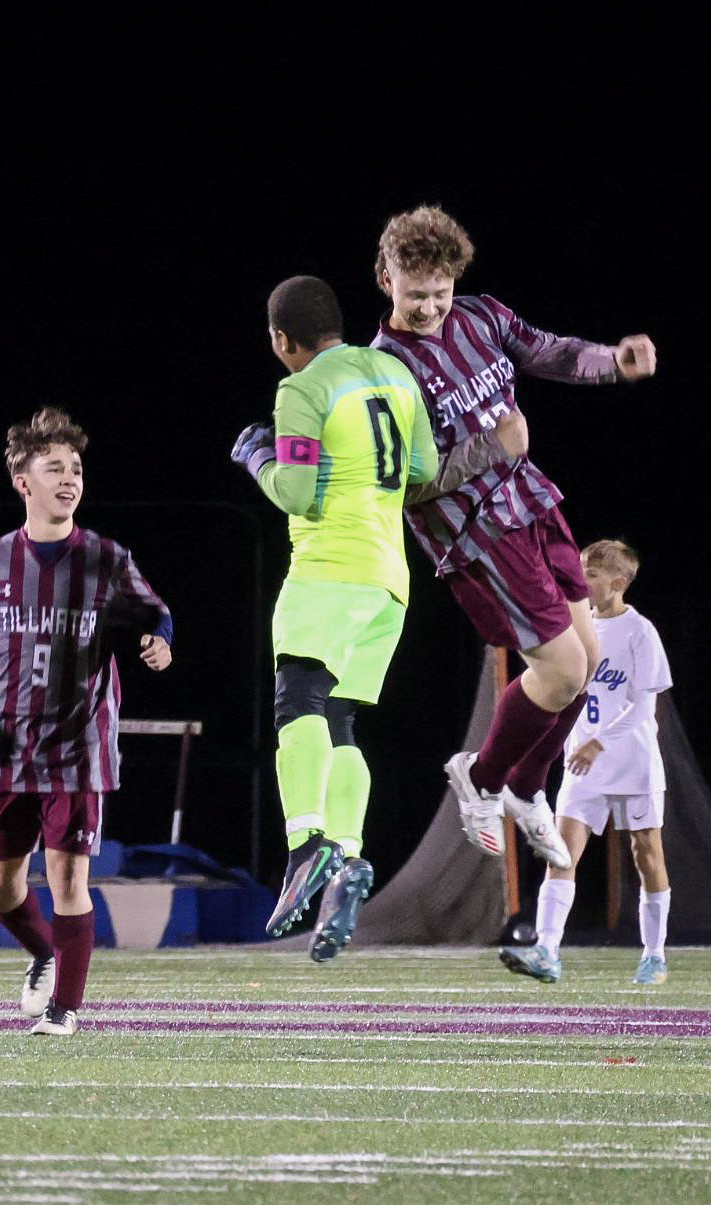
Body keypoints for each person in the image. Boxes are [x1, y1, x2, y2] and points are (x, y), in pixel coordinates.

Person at [370, 205, 656, 870]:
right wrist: (490, 446)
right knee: (558, 672)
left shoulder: (481, 315)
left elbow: (550, 351)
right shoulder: (380, 372)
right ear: (385, 278)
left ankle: (526, 788)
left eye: (441, 292)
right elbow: (398, 487)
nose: (432, 307)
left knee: (587, 665)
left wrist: (614, 361)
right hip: (477, 535)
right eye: (417, 295)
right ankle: (484, 775)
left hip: (531, 503)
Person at [0, 407, 172, 1035]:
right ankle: (45, 957)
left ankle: (65, 1011)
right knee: (0, 888)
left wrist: (160, 640)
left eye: (75, 468)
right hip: (5, 745)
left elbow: (156, 612)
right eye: (53, 467)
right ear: (21, 481)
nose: (68, 478)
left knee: (67, 875)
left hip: (79, 745)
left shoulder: (105, 560)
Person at [231, 275, 439, 960]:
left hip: (329, 569)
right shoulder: (393, 370)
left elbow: (295, 492)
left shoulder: (302, 386)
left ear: (280, 340)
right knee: (340, 716)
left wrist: (256, 453)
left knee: (298, 700)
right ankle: (347, 858)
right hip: (390, 583)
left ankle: (304, 846)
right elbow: (423, 468)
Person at [519, 542, 673, 984]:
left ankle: (654, 955)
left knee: (646, 856)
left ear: (618, 583)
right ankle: (547, 951)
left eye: (589, 574)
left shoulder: (640, 632)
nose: (579, 580)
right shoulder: (573, 626)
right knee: (561, 852)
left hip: (632, 762)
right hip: (582, 765)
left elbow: (643, 709)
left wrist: (597, 743)